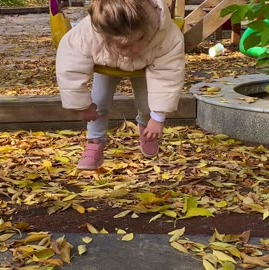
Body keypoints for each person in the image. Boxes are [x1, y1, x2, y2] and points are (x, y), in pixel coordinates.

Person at [56, 0, 185, 170]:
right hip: (106, 64)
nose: (136, 49)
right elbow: (70, 67)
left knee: (147, 105)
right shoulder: (88, 34)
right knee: (99, 102)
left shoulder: (165, 33)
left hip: (147, 65)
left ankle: (147, 129)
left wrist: (158, 117)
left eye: (140, 38)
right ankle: (95, 140)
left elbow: (168, 75)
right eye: (125, 45)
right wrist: (81, 106)